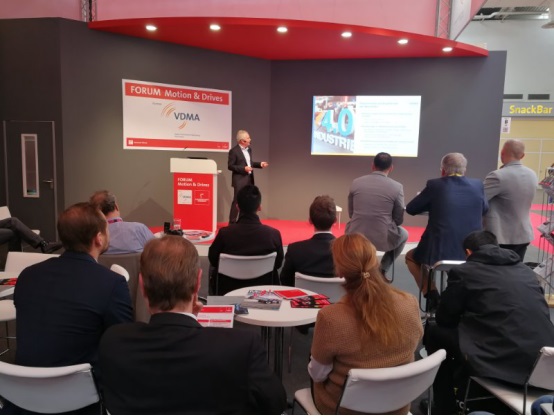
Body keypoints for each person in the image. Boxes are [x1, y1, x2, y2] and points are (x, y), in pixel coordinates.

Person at [98, 235, 287, 414]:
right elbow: (275, 403)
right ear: (198, 282)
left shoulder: (113, 342)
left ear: (142, 285)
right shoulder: (242, 347)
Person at [424, 230, 554, 414]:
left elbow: (445, 318)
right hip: (544, 361)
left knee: (434, 332)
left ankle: (444, 406)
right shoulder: (526, 271)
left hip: (500, 360)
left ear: (468, 252)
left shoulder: (464, 271)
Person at [308, 233, 423, 414]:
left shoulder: (330, 318)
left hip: (343, 409)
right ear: (375, 262)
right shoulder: (410, 302)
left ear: (339, 272)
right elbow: (415, 341)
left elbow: (318, 375)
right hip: (397, 406)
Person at [13, 202, 133, 370]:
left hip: (22, 381)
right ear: (98, 238)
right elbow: (123, 344)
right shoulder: (112, 284)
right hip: (82, 384)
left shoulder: (27, 276)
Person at [405, 152, 488, 307]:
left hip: (439, 251)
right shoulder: (478, 185)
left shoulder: (435, 185)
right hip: (471, 251)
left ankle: (431, 294)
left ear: (443, 170)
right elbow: (485, 209)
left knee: (411, 257)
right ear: (464, 170)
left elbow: (411, 208)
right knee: (456, 268)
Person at [209, 185, 283, 295]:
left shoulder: (225, 234)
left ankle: (216, 302)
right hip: (262, 294)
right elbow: (278, 264)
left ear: (237, 207)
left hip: (228, 293)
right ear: (259, 207)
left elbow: (213, 259)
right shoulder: (273, 235)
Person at [345, 152, 408, 275]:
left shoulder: (356, 182)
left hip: (355, 235)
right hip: (382, 238)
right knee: (405, 234)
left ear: (372, 165)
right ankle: (383, 269)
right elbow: (399, 219)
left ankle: (357, 269)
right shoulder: (397, 187)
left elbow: (351, 213)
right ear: (391, 168)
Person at [483, 139, 538, 262]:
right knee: (515, 270)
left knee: (497, 271)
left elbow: (480, 199)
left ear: (502, 153)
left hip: (501, 236)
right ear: (522, 155)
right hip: (523, 234)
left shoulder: (498, 176)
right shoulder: (532, 174)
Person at [280, 195, 336, 287]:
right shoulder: (348, 251)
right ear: (335, 220)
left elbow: (285, 280)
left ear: (310, 220)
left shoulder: (295, 250)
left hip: (303, 296)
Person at [89, 190, 154, 254]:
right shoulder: (139, 229)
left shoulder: (91, 239)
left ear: (94, 212)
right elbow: (157, 254)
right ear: (116, 206)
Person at [227, 130, 268, 223]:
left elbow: (249, 163)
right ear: (242, 141)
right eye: (248, 138)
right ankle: (232, 223)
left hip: (249, 179)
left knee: (246, 201)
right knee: (237, 201)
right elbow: (230, 166)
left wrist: (259, 164)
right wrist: (243, 168)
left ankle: (242, 222)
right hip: (239, 180)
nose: (250, 139)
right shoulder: (234, 151)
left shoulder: (249, 150)